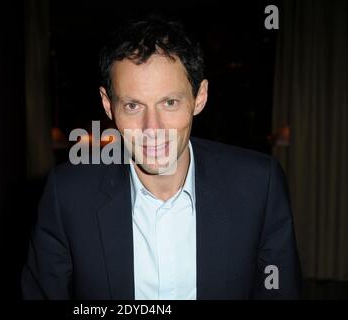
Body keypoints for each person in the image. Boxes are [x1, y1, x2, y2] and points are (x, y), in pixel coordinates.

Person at [21, 16, 301, 299]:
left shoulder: (258, 185)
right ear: (108, 105)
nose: (152, 129)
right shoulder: (66, 194)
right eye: (132, 106)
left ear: (199, 97)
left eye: (169, 103)